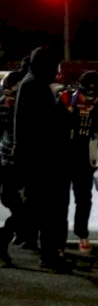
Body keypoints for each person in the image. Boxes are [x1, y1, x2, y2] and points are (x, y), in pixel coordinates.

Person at [13, 46, 71, 270]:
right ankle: (49, 257)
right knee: (47, 211)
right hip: (41, 159)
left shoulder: (32, 82)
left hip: (35, 158)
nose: (56, 71)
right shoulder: (35, 86)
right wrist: (64, 108)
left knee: (35, 209)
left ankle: (48, 253)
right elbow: (45, 124)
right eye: (53, 66)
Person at [58, 70, 98, 253]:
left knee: (84, 199)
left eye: (93, 93)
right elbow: (56, 125)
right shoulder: (65, 98)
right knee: (60, 200)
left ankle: (82, 233)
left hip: (85, 154)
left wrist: (96, 110)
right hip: (64, 154)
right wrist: (72, 114)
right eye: (86, 93)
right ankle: (58, 239)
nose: (89, 97)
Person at [0, 71, 29, 265]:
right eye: (9, 94)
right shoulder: (3, 107)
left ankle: (5, 239)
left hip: (17, 165)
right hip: (6, 165)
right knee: (19, 207)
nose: (10, 99)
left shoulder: (23, 109)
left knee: (22, 210)